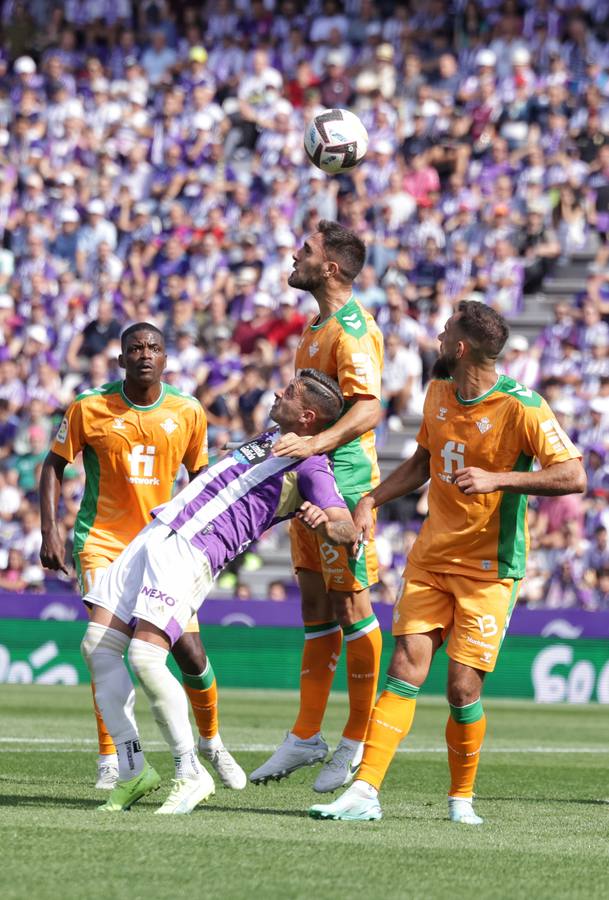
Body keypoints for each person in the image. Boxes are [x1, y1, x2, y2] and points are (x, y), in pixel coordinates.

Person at [309, 300, 586, 823]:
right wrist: (371, 499)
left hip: (490, 572)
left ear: (460, 349)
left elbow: (574, 476)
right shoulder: (438, 392)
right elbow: (420, 463)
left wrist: (499, 478)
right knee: (405, 667)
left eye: (444, 334)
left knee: (462, 686)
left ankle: (461, 799)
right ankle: (364, 791)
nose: (436, 338)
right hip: (431, 559)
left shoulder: (524, 407)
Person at [80, 369, 358, 814]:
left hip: (195, 548)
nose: (275, 392)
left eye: (287, 393)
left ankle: (189, 772)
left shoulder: (311, 465)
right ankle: (133, 771)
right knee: (97, 646)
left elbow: (344, 523)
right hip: (160, 529)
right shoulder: (275, 435)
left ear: (307, 416)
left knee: (145, 657)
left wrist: (330, 524)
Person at [39, 322, 246, 792]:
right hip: (104, 541)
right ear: (121, 360)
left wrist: (203, 547)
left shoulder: (189, 411)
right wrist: (50, 530)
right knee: (104, 646)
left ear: (166, 358)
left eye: (154, 347)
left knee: (191, 653)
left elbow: (200, 481)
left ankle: (212, 742)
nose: (145, 354)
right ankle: (113, 756)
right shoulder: (89, 406)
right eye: (135, 348)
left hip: (163, 544)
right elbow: (52, 465)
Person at [250, 220, 384, 793]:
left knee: (352, 606)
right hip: (310, 479)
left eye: (305, 250)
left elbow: (369, 409)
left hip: (344, 488)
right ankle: (307, 734)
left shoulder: (352, 332)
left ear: (330, 266)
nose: (295, 254)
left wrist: (315, 444)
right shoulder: (315, 328)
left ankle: (356, 740)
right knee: (314, 602)